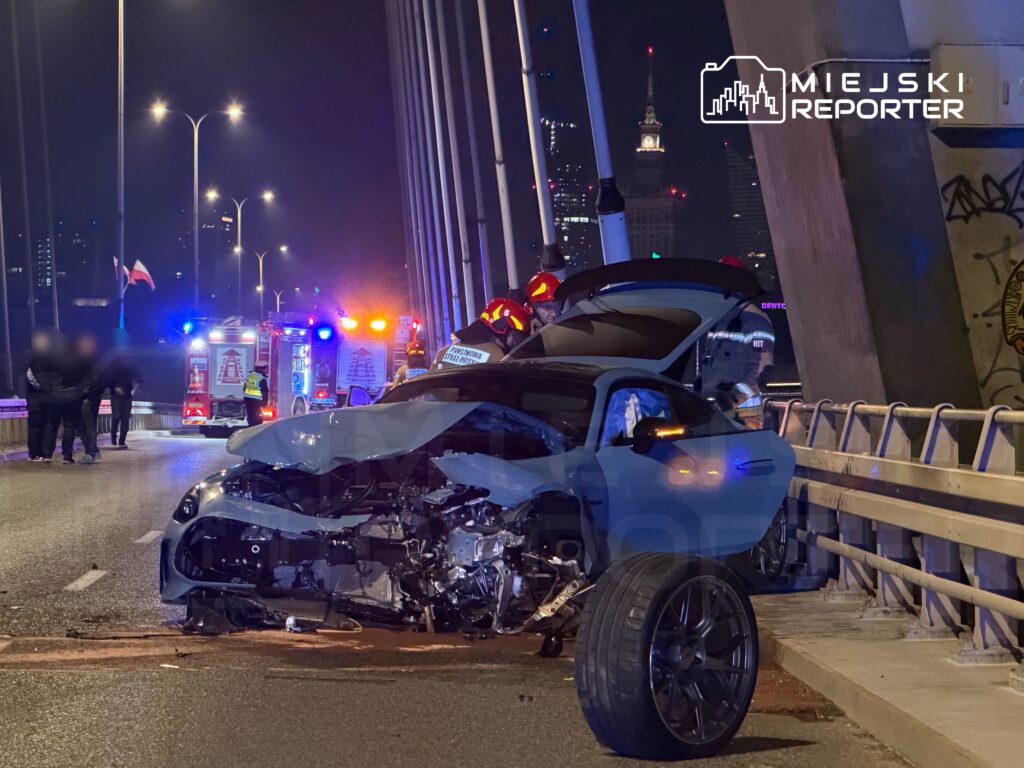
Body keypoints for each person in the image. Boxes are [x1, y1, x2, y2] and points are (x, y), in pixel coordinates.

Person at [695, 255, 775, 428]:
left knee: (748, 450)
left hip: (744, 409)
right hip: (716, 408)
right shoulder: (720, 320)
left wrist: (739, 404)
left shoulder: (754, 320)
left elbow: (761, 369)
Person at [431, 298, 532, 370]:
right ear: (502, 329)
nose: (516, 342)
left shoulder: (442, 353)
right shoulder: (500, 360)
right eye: (517, 336)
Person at [24, 329, 62, 462]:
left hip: (48, 399)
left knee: (48, 425)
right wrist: (45, 388)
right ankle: (33, 453)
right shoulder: (32, 360)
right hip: (36, 399)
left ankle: (45, 453)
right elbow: (30, 377)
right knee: (35, 426)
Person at [73, 334, 104, 464]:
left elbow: (101, 382)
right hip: (78, 398)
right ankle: (93, 449)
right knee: (80, 426)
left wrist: (88, 392)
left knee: (89, 426)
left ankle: (90, 453)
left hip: (90, 399)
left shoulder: (97, 362)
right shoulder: (77, 361)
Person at [106, 353, 138, 448]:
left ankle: (122, 441)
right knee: (116, 416)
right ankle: (113, 437)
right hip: (116, 396)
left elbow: (138, 380)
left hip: (127, 396)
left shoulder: (130, 370)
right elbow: (107, 382)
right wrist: (115, 388)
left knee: (125, 418)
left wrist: (133, 390)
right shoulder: (113, 371)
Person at [243, 360, 270, 427]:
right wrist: (265, 403)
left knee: (250, 415)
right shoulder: (261, 379)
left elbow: (245, 387)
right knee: (257, 417)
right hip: (257, 400)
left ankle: (250, 427)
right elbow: (264, 392)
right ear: (262, 369)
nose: (266, 370)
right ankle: (255, 429)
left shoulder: (249, 375)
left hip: (247, 398)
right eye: (265, 368)